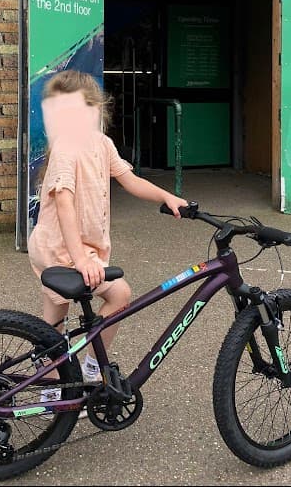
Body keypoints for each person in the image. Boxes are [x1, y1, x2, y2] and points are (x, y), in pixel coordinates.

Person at [28, 69, 187, 389]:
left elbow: (130, 180)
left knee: (58, 325)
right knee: (110, 298)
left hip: (81, 247)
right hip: (58, 246)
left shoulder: (102, 144)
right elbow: (63, 204)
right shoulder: (66, 148)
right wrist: (81, 259)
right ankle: (65, 382)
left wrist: (167, 196)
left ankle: (74, 374)